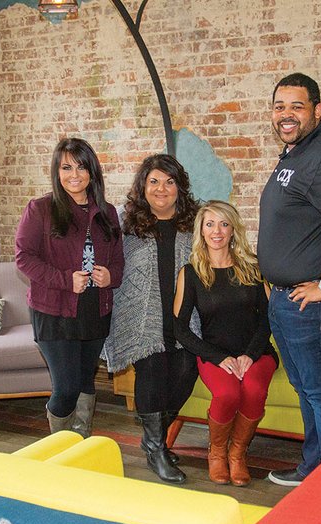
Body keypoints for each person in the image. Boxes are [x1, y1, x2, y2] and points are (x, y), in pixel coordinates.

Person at [257, 73, 321, 487]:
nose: (287, 114)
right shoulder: (295, 154)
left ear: (318, 110)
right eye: (280, 106)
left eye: (297, 106)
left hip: (314, 303)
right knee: (306, 388)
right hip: (287, 299)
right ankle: (314, 469)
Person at [15, 138, 123, 437]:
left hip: (95, 310)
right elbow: (24, 258)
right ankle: (60, 446)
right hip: (54, 312)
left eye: (81, 166)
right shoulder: (40, 209)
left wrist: (110, 277)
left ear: (92, 172)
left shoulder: (108, 212)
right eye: (66, 167)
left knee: (87, 381)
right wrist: (65, 279)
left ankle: (81, 442)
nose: (74, 174)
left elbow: (118, 261)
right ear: (56, 171)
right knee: (66, 388)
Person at [104, 154, 200, 484]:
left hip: (185, 316)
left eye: (169, 182)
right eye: (154, 181)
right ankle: (157, 449)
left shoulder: (195, 222)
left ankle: (152, 437)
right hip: (140, 316)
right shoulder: (125, 222)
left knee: (187, 372)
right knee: (154, 372)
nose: (161, 189)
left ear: (179, 188)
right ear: (143, 186)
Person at [174, 201, 277, 486]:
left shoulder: (252, 267)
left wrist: (250, 354)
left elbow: (269, 317)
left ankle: (237, 454)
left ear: (233, 230)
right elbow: (178, 328)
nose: (216, 231)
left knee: (254, 389)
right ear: (201, 231)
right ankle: (217, 453)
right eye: (210, 224)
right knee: (228, 394)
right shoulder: (191, 273)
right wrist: (217, 357)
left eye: (223, 224)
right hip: (214, 354)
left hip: (255, 353)